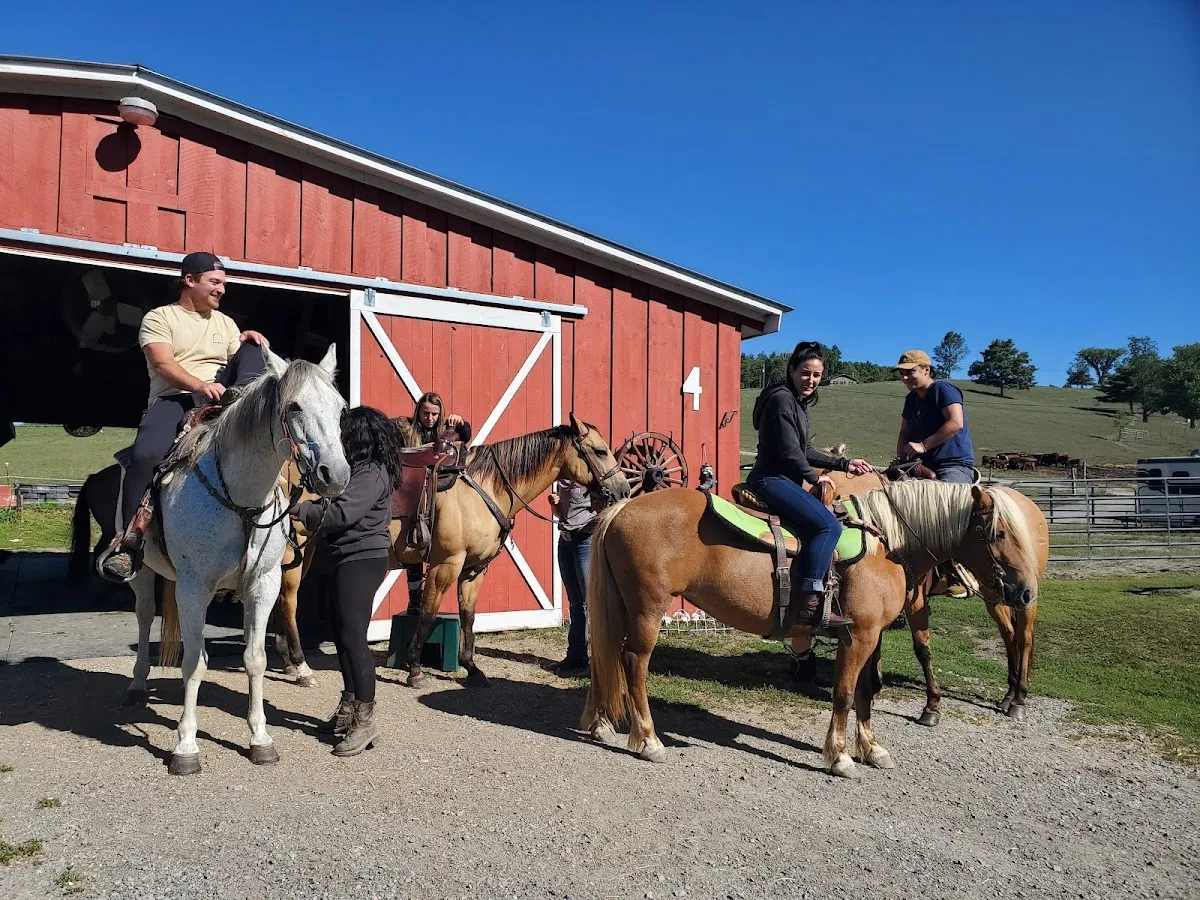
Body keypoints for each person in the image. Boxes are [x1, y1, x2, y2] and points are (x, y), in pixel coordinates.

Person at [99, 251, 268, 582]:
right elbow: (163, 364)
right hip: (174, 399)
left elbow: (238, 356)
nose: (222, 290)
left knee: (253, 343)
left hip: (223, 401)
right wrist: (201, 385)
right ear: (190, 281)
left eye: (223, 284)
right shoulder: (160, 318)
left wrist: (245, 347)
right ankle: (129, 544)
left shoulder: (226, 324)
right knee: (147, 454)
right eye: (215, 282)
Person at [295, 406, 405, 758]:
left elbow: (342, 513)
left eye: (345, 433)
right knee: (342, 636)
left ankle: (366, 720)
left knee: (354, 639)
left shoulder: (371, 472)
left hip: (360, 559)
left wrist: (300, 510)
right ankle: (350, 703)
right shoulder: (361, 470)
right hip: (346, 558)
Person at [748, 341, 873, 632]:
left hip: (781, 478)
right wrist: (816, 477)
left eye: (817, 376)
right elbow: (791, 453)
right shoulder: (781, 400)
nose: (811, 381)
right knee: (829, 526)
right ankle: (811, 603)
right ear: (792, 370)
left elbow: (804, 449)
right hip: (771, 479)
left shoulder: (796, 402)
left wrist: (845, 464)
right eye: (805, 373)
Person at [403, 391, 471, 613]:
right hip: (413, 489)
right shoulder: (407, 429)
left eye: (434, 414)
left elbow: (466, 435)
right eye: (425, 413)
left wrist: (461, 423)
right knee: (412, 546)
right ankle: (414, 596)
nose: (429, 418)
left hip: (438, 490)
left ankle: (425, 598)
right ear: (418, 411)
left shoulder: (445, 431)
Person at [893, 350, 976, 483]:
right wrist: (901, 460)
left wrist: (923, 445)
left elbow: (955, 422)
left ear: (926, 370)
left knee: (944, 500)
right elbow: (904, 431)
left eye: (910, 372)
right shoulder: (911, 399)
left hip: (951, 466)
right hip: (921, 466)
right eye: (902, 374)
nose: (904, 378)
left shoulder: (943, 390)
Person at [547, 478, 596, 677]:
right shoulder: (563, 481)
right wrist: (556, 505)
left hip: (585, 540)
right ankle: (575, 657)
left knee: (592, 603)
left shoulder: (591, 479)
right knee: (576, 603)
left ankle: (598, 665)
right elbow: (561, 515)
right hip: (565, 540)